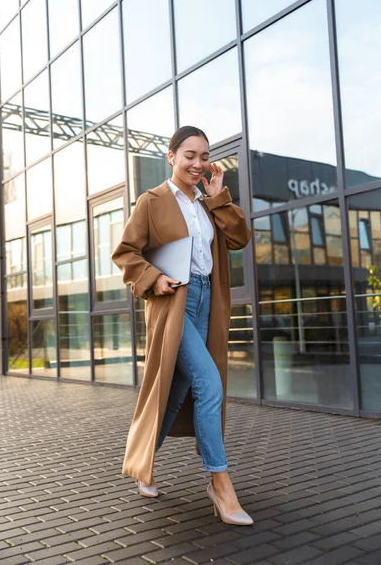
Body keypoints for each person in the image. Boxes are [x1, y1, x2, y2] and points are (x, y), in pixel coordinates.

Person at [112, 125, 253, 525]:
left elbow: (240, 237)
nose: (198, 163)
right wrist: (152, 277)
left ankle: (142, 463)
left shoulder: (209, 202)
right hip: (175, 300)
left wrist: (220, 196)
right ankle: (220, 485)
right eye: (189, 155)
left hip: (209, 299)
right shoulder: (151, 201)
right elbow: (126, 252)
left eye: (204, 156)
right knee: (209, 383)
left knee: (178, 390)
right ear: (171, 156)